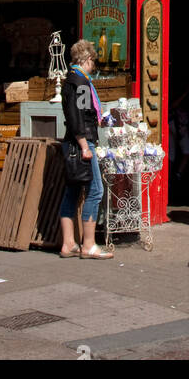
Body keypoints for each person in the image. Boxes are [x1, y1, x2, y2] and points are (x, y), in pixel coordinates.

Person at [59, 39, 112, 259]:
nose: (93, 67)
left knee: (71, 192)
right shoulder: (81, 82)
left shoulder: (70, 80)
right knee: (95, 190)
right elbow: (77, 117)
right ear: (88, 60)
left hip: (69, 142)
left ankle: (68, 243)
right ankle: (88, 244)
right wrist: (84, 145)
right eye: (93, 62)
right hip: (82, 142)